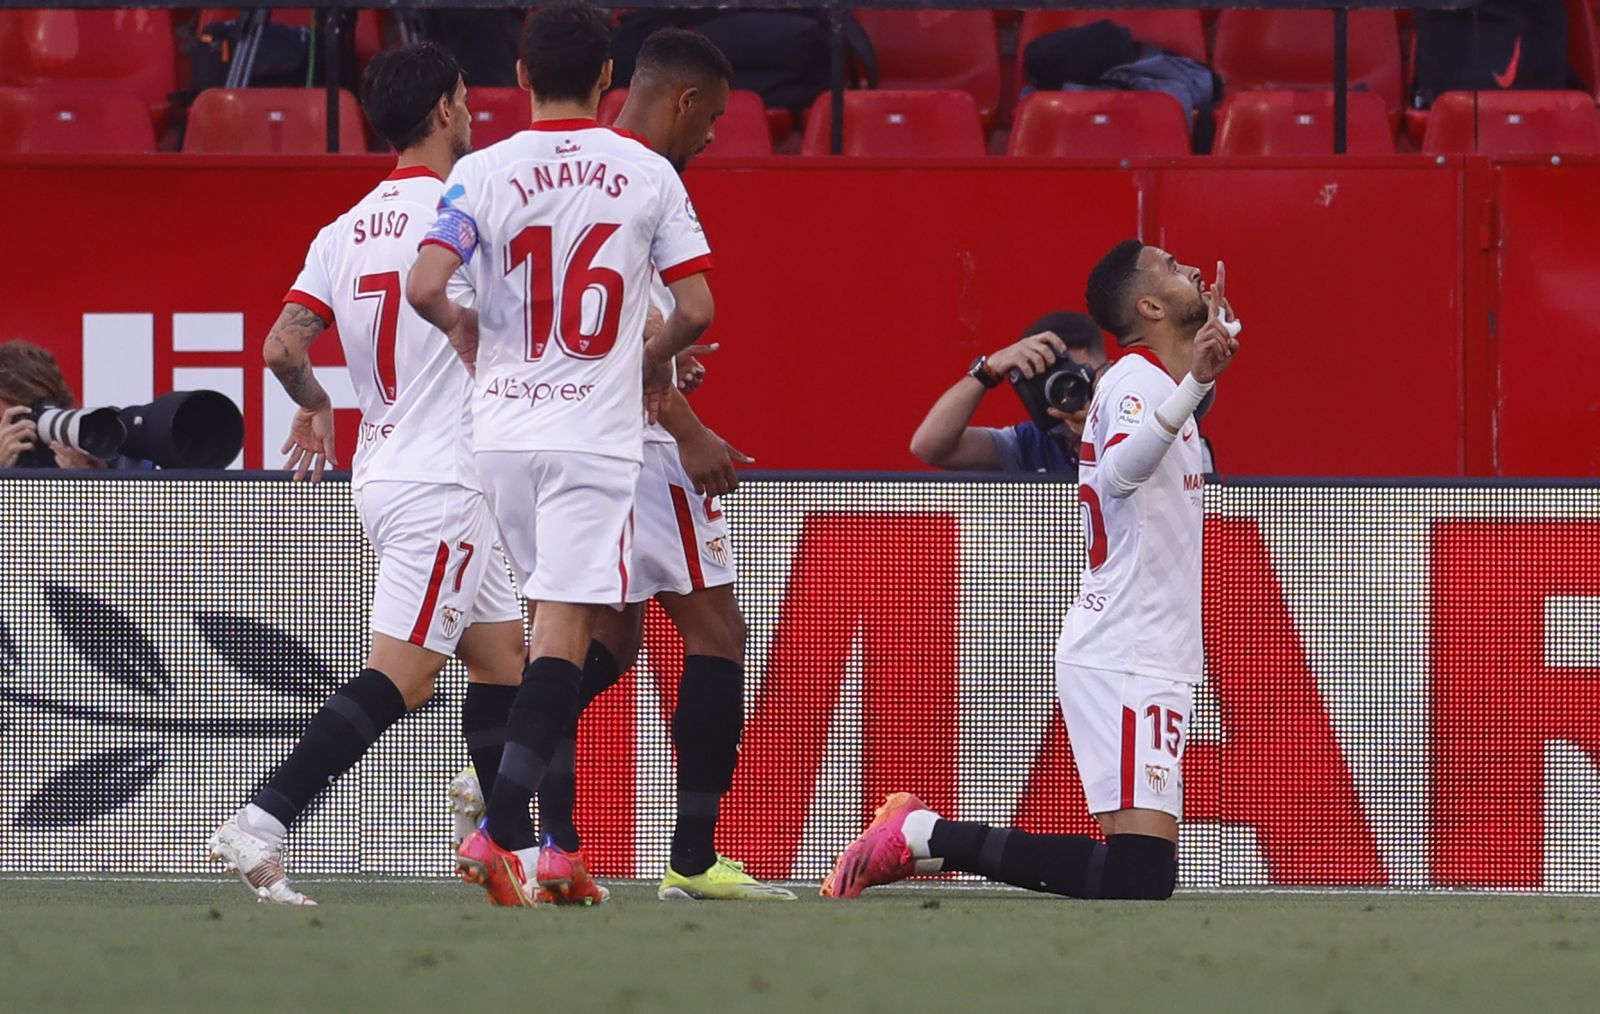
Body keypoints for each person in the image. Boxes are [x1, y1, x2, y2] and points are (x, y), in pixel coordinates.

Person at [456, 27, 790, 903]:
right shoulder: (644, 182)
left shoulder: (517, 174)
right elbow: (642, 345)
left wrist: (663, 372)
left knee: (605, 635)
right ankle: (686, 856)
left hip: (527, 433)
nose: (713, 135)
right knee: (716, 634)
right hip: (626, 445)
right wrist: (687, 425)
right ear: (680, 102)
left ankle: (525, 799)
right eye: (711, 117)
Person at [406, 1, 717, 908]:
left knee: (553, 632)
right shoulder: (645, 171)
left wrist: (468, 327)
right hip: (591, 434)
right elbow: (695, 309)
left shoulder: (484, 170)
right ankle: (504, 832)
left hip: (500, 430)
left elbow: (428, 283)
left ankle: (552, 849)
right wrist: (643, 358)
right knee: (564, 639)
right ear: (608, 77)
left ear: (518, 74)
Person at [821, 238, 1240, 902]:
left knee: (1143, 875)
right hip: (1126, 650)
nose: (1191, 267)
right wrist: (1197, 377)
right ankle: (924, 834)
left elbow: (1176, 413)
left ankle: (925, 835)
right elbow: (1124, 473)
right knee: (1139, 875)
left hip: (1153, 649)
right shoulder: (1135, 380)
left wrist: (1211, 355)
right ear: (1151, 304)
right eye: (1169, 267)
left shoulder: (1158, 385)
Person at [207, 42, 527, 906]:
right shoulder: (469, 215)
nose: (470, 111)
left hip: (386, 466)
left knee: (502, 662)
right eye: (464, 97)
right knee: (407, 673)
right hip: (444, 481)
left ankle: (509, 853)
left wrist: (316, 406)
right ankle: (263, 820)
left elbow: (282, 345)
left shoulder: (344, 227)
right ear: (444, 112)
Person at [909, 312, 1107, 476]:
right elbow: (929, 447)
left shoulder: (1133, 431)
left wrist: (1098, 436)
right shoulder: (1031, 444)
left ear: (1110, 371)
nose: (1070, 392)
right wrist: (987, 371)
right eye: (1060, 382)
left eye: (1081, 379)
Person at [0, 341, 108, 470]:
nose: (13, 433)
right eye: (4, 420)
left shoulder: (77, 444)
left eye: (23, 417)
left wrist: (91, 482)